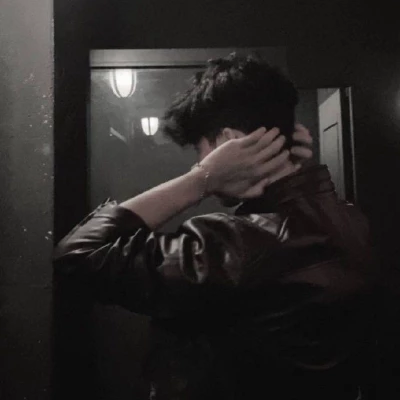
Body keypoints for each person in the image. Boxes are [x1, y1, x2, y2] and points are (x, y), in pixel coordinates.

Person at [54, 54, 375, 400]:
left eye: (201, 150)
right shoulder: (348, 218)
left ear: (227, 141)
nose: (199, 160)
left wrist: (201, 179)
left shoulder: (235, 244)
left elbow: (78, 255)